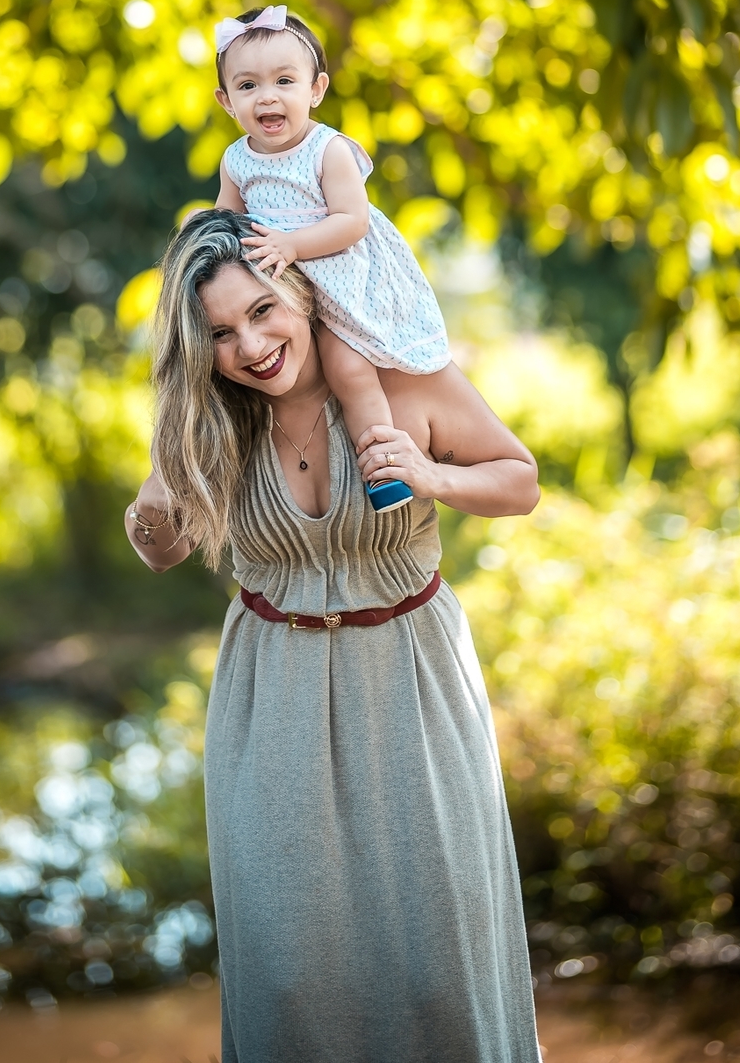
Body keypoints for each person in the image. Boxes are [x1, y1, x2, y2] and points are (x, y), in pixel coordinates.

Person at [125, 209, 542, 1063]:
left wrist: (429, 475)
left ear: (304, 292)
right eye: (220, 333)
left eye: (263, 310)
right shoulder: (212, 423)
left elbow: (520, 480)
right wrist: (159, 488)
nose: (250, 344)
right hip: (271, 699)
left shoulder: (405, 383)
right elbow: (160, 549)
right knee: (290, 971)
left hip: (414, 687)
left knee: (439, 960)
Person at [212, 3, 451, 511]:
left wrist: (293, 245)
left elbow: (351, 221)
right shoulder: (236, 160)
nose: (267, 97)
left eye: (284, 81)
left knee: (348, 370)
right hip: (283, 291)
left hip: (340, 277)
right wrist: (202, 227)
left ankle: (385, 469)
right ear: (227, 101)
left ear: (316, 89)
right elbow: (226, 224)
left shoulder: (328, 150)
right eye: (248, 86)